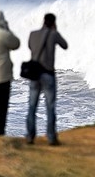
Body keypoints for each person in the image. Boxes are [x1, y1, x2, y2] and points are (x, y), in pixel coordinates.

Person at [26, 13, 68, 145]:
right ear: (53, 23)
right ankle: (51, 138)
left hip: (34, 74)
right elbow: (65, 45)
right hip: (48, 75)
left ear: (43, 21)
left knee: (32, 106)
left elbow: (30, 47)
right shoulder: (54, 34)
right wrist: (54, 31)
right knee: (50, 107)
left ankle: (30, 136)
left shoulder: (33, 34)